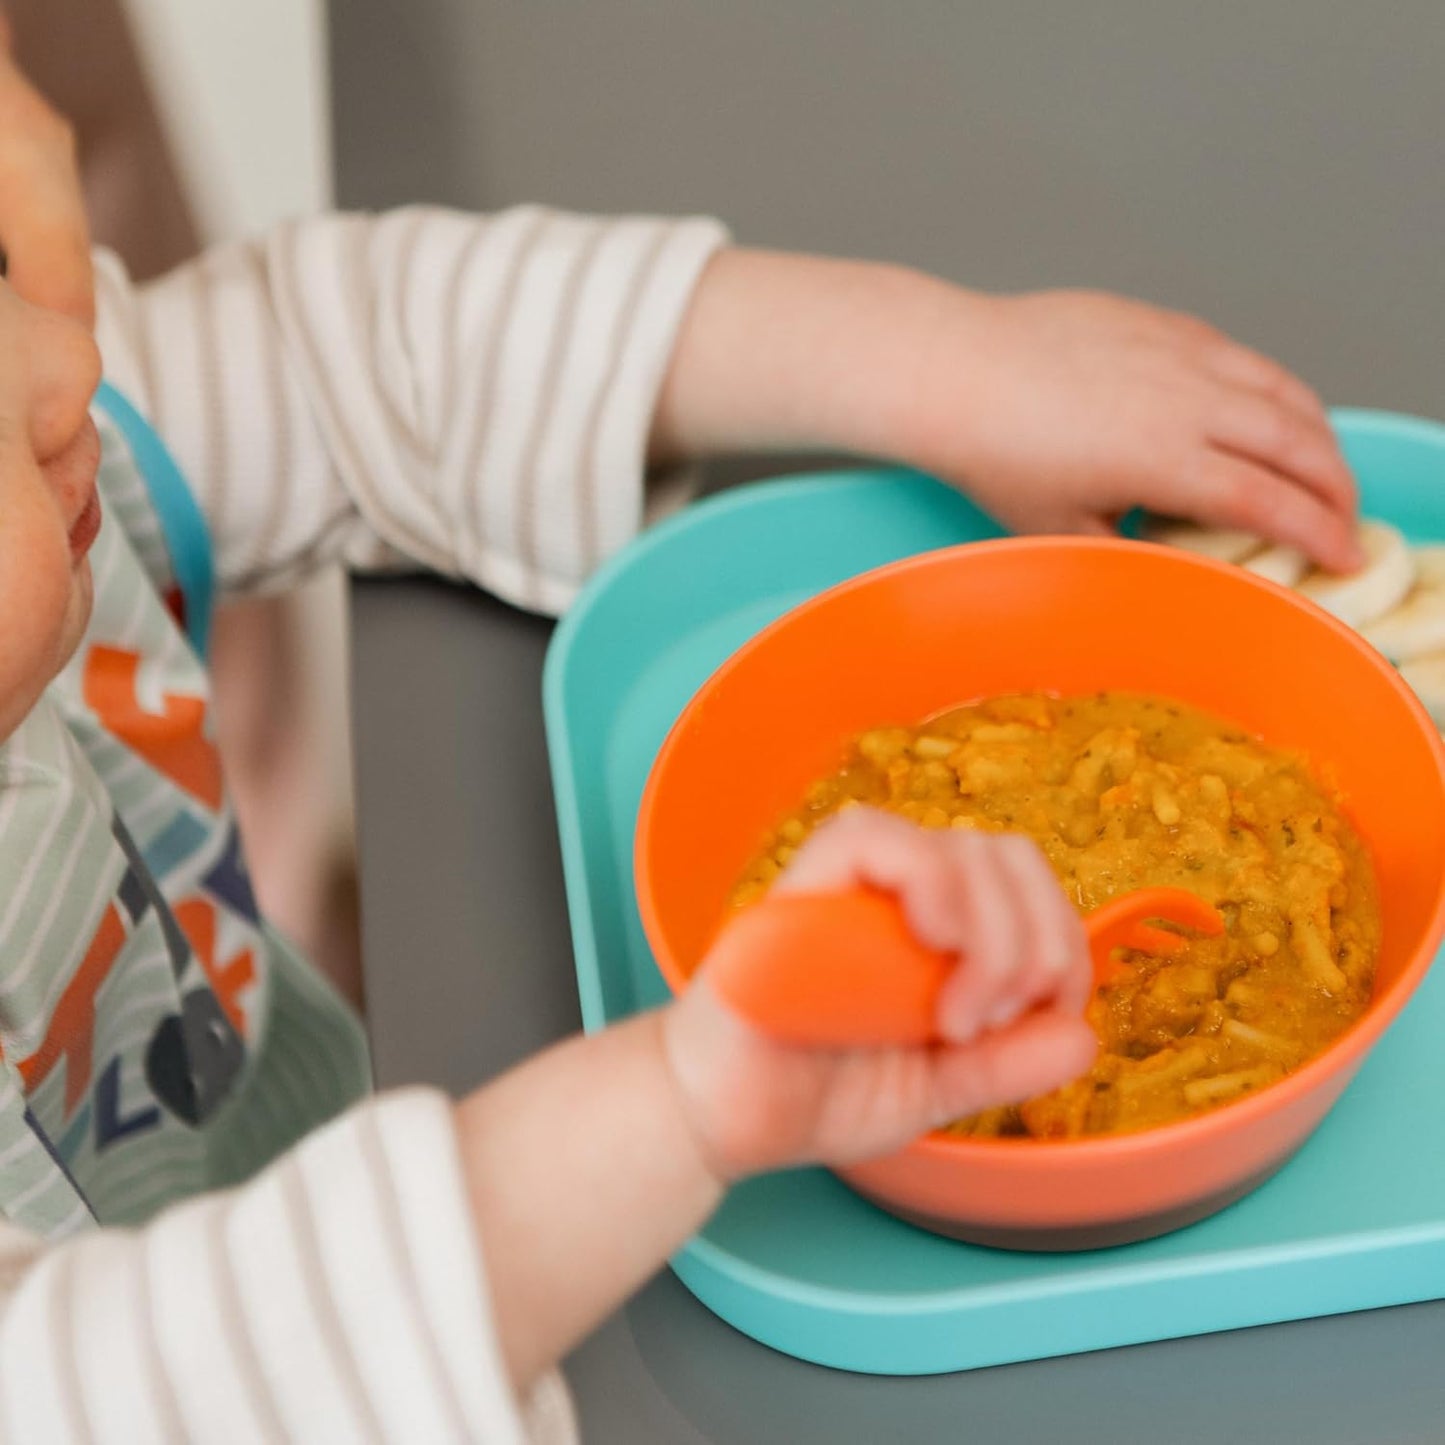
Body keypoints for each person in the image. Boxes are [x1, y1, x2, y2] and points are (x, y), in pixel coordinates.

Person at [0, 33, 1361, 1445]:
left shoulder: (57, 442)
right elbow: (126, 1394)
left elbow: (360, 353)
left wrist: (941, 361)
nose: (68, 355)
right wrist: (673, 1100)